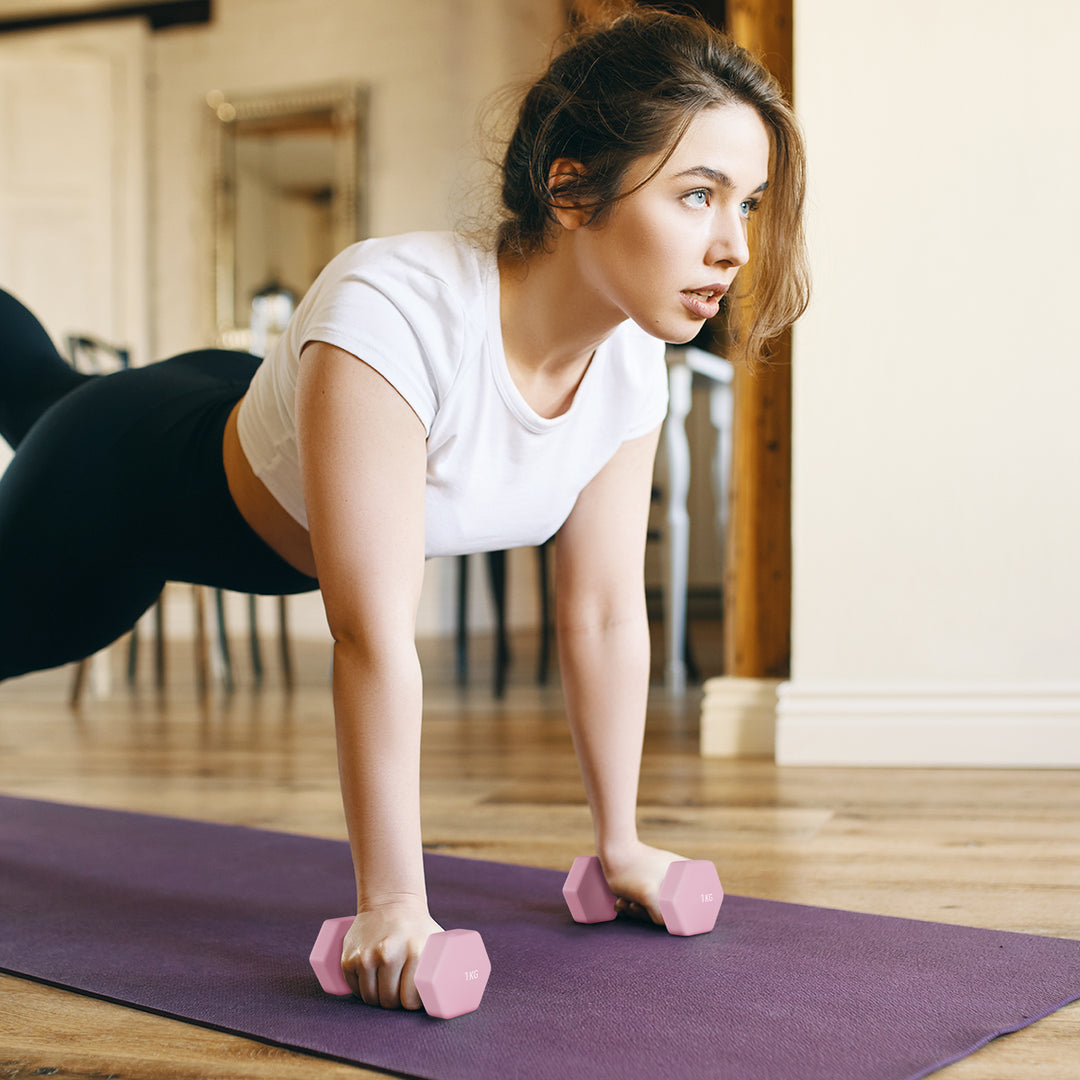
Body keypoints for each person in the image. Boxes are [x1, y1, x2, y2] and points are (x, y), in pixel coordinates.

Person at [0, 6, 808, 1010]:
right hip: (130, 470)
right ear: (570, 187)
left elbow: (600, 611)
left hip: (247, 398)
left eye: (750, 204)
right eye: (698, 196)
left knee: (38, 386)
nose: (733, 246)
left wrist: (623, 845)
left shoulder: (633, 364)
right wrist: (391, 903)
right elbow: (369, 632)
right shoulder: (398, 306)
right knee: (53, 569)